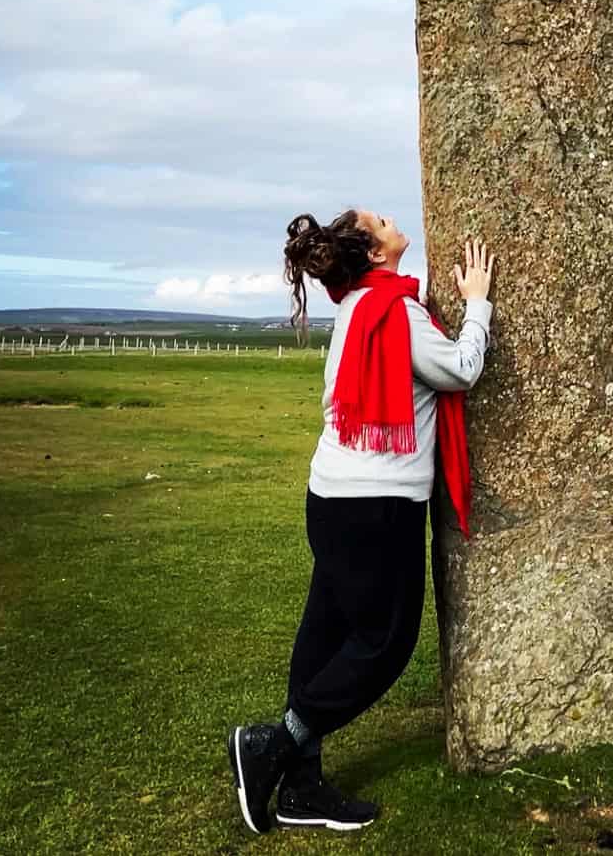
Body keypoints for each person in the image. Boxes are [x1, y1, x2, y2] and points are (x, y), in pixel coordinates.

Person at [227, 207, 496, 834]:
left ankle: (299, 788)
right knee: (385, 641)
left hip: (330, 498)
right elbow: (461, 369)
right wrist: (478, 305)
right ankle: (273, 744)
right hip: (379, 506)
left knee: (324, 634)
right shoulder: (395, 312)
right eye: (382, 220)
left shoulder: (356, 308)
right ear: (376, 253)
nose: (394, 219)